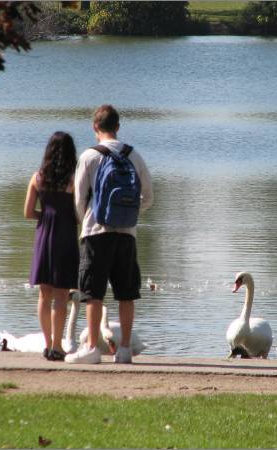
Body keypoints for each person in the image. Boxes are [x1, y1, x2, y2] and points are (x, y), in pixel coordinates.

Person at [66, 104, 153, 364]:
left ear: (95, 127)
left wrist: (86, 222)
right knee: (127, 292)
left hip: (95, 232)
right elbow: (148, 197)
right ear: (118, 126)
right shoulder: (133, 155)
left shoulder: (89, 156)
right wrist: (129, 215)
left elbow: (79, 200)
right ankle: (125, 349)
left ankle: (93, 348)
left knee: (92, 293)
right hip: (127, 233)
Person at [24, 131, 80, 361]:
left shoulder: (37, 178)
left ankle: (47, 345)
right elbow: (79, 215)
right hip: (65, 236)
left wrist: (45, 216)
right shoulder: (74, 180)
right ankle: (58, 346)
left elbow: (27, 213)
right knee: (61, 295)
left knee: (43, 295)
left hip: (43, 236)